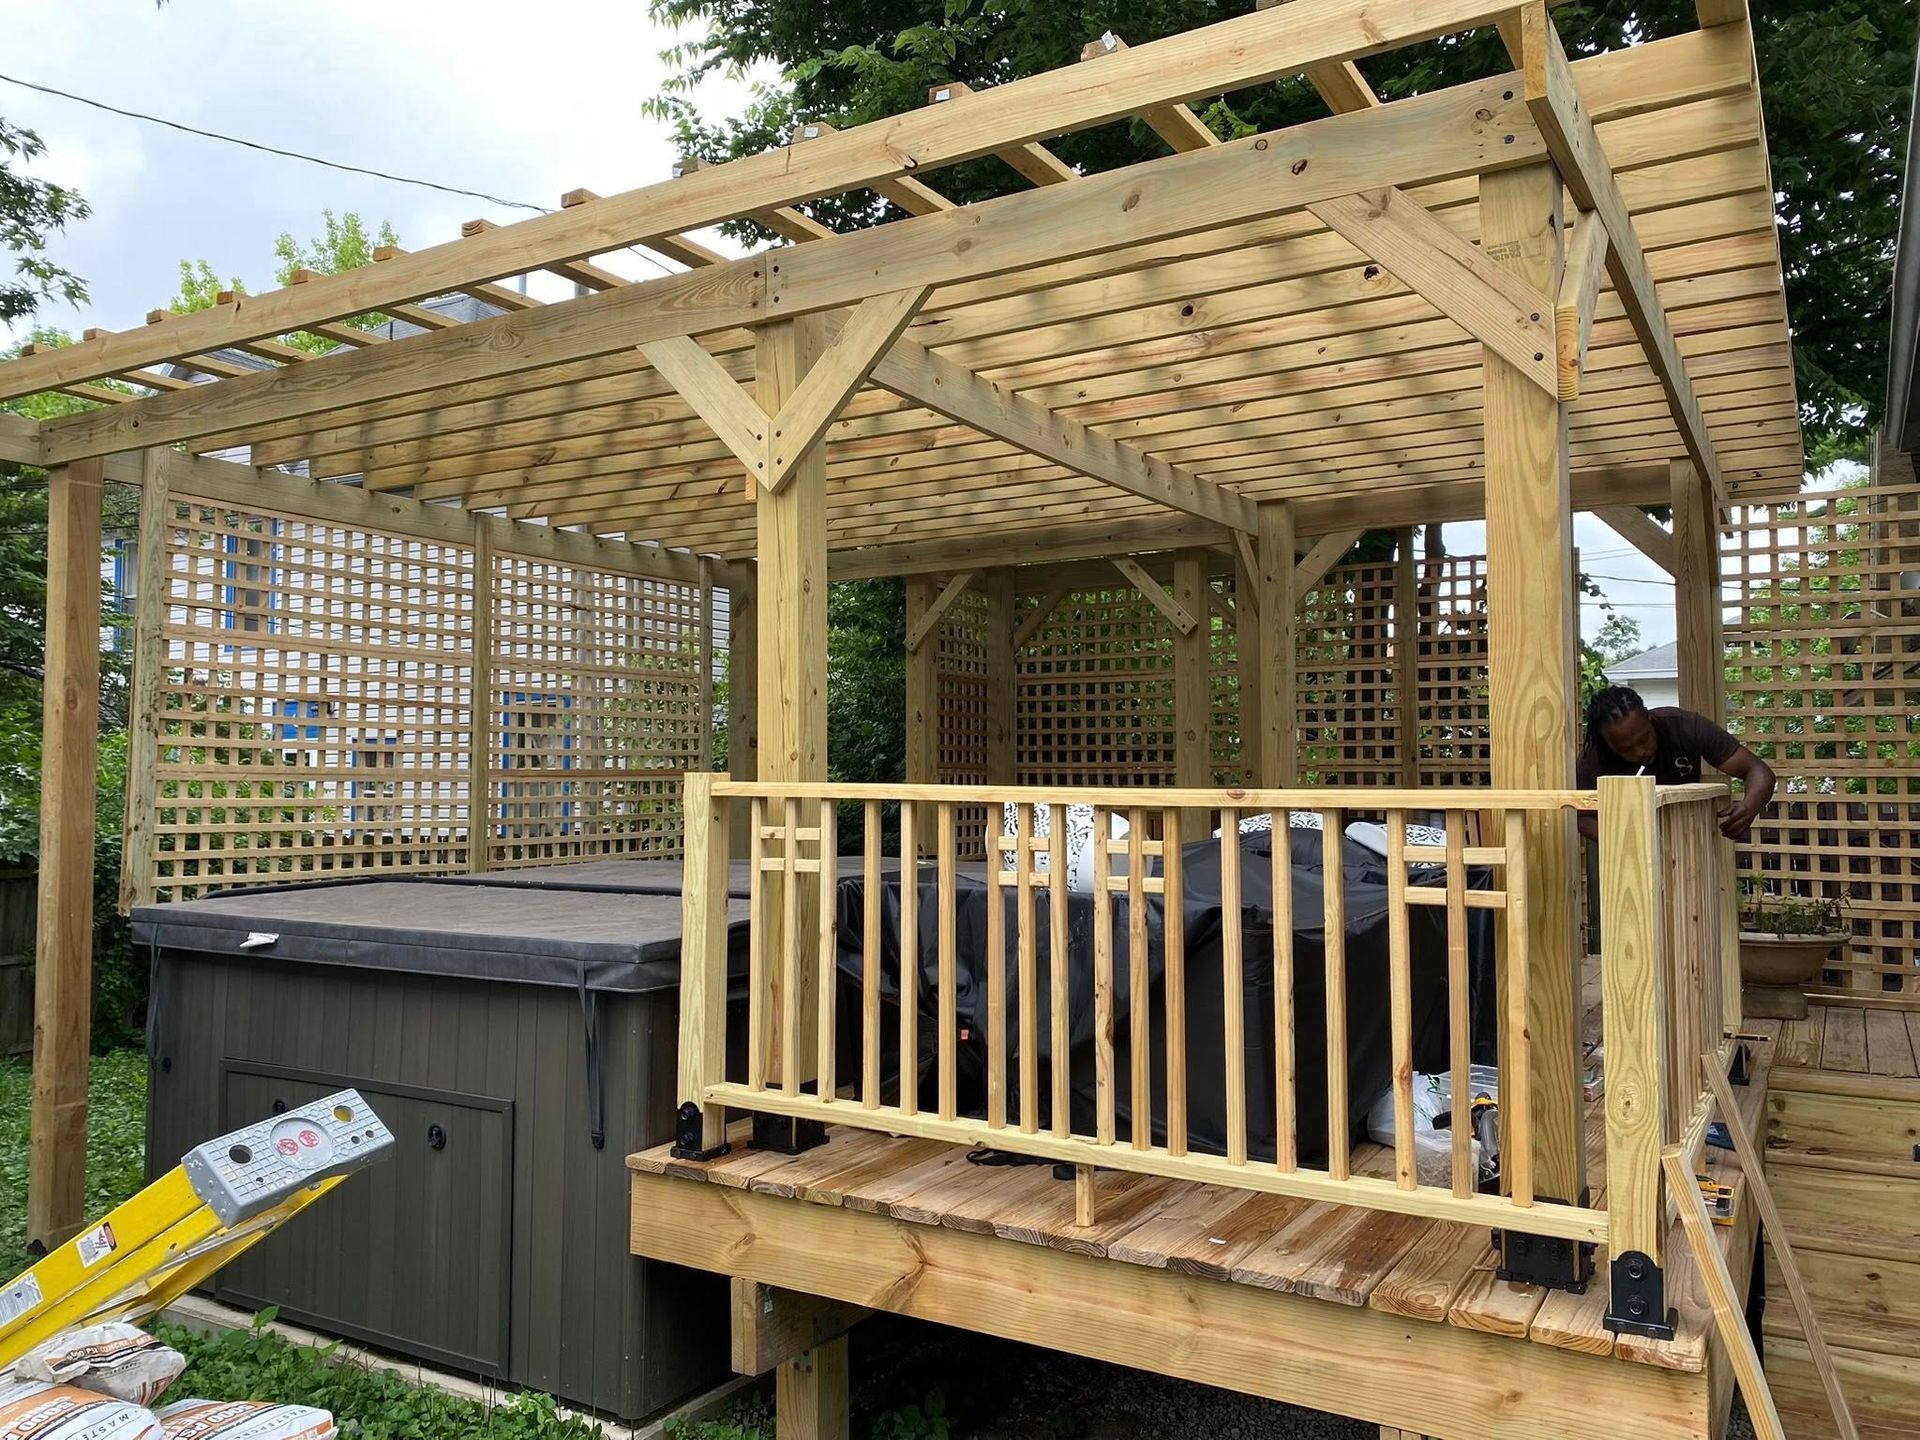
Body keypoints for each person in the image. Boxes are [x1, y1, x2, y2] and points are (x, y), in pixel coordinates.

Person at [1575, 685, 1775, 842]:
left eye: (1644, 739)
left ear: (1650, 718)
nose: (1639, 752)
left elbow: (1757, 770)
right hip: (1623, 851)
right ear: (1608, 743)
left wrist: (1750, 805)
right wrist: (1631, 842)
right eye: (1625, 749)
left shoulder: (1685, 727)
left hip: (1687, 840)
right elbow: (1582, 817)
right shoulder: (1594, 756)